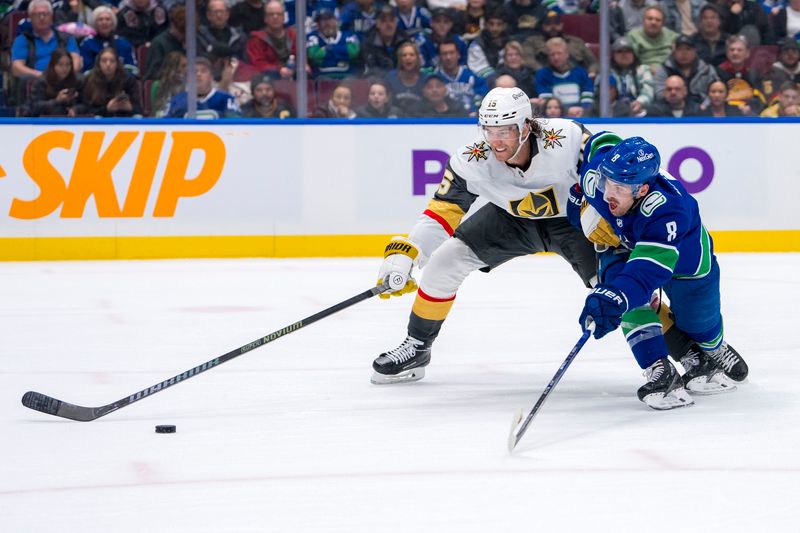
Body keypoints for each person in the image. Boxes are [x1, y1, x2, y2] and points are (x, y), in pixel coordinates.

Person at [371, 86, 597, 384]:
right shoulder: (471, 159)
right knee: (446, 261)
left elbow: (609, 184)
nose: (495, 141)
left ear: (526, 127)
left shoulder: (568, 138)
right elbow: (441, 213)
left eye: (504, 130)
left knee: (617, 283)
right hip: (511, 220)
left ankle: (671, 349)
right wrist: (406, 255)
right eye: (488, 130)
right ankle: (417, 345)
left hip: (574, 220)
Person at [573, 135, 748, 409]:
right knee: (621, 291)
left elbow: (647, 271)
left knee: (698, 324)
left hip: (685, 262)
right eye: (607, 181)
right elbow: (600, 141)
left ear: (641, 190)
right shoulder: (597, 177)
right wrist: (579, 211)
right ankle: (658, 367)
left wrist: (617, 296)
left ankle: (713, 346)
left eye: (619, 187)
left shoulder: (668, 209)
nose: (607, 193)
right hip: (622, 246)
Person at [10, 0, 81, 105]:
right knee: (25, 79)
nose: (42, 17)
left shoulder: (66, 38)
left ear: (51, 16)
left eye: (45, 14)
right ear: (30, 17)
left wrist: (64, 75)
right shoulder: (23, 40)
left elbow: (76, 62)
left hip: (63, 79)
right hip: (37, 82)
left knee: (81, 78)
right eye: (37, 14)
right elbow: (16, 68)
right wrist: (44, 76)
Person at [521, 10, 598, 77]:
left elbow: (593, 62)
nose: (553, 27)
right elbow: (527, 60)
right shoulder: (532, 42)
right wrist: (543, 72)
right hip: (545, 80)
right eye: (548, 24)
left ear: (561, 25)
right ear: (543, 26)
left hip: (577, 79)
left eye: (556, 23)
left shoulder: (577, 42)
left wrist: (591, 72)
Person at [534, 37, 594, 118]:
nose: (556, 57)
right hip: (555, 120)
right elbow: (547, 103)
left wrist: (583, 111)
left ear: (567, 54)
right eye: (552, 54)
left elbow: (587, 98)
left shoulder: (581, 73)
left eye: (559, 53)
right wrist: (567, 112)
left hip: (581, 118)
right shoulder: (542, 75)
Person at [165, 56, 241, 118]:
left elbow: (236, 125)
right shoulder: (176, 101)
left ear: (211, 77)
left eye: (203, 71)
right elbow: (163, 126)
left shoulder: (226, 99)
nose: (198, 74)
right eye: (194, 71)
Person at [653, 34, 719, 104]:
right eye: (679, 49)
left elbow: (717, 92)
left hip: (702, 110)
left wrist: (704, 106)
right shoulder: (664, 70)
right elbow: (659, 94)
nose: (683, 53)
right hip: (670, 109)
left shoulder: (707, 70)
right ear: (674, 52)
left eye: (688, 49)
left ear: (695, 51)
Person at [80, 46, 142, 117]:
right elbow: (86, 110)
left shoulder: (129, 80)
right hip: (99, 121)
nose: (108, 64)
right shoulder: (90, 80)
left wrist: (130, 108)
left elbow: (139, 110)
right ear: (98, 63)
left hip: (124, 119)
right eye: (104, 61)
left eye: (112, 61)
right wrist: (107, 109)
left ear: (117, 64)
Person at [715, 34, 767, 114]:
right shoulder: (718, 72)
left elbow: (759, 98)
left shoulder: (754, 74)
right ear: (727, 53)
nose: (735, 53)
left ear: (747, 53)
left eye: (739, 50)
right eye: (732, 50)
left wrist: (750, 109)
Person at [245, 0, 297, 80]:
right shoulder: (256, 39)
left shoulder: (293, 35)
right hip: (268, 80)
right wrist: (279, 70)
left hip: (293, 75)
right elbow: (258, 64)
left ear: (284, 17)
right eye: (271, 14)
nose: (275, 17)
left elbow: (300, 57)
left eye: (279, 14)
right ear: (265, 18)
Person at [435, 38, 488, 115]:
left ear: (458, 54)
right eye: (444, 54)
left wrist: (476, 110)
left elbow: (482, 98)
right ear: (439, 57)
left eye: (451, 53)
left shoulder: (472, 77)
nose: (448, 57)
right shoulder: (435, 79)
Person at [80, 6, 138, 76]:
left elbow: (133, 70)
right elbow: (86, 72)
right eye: (100, 19)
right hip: (95, 83)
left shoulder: (124, 43)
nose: (104, 22)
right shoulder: (87, 44)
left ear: (113, 23)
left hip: (121, 83)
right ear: (95, 23)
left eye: (108, 19)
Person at [28, 47, 83, 117]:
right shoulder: (41, 82)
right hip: (45, 121)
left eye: (68, 64)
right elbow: (34, 108)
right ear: (53, 65)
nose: (65, 68)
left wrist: (76, 109)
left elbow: (87, 105)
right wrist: (57, 101)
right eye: (60, 65)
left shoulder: (77, 81)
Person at [306, 9, 361, 79]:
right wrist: (343, 53)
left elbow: (353, 53)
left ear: (336, 21)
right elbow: (314, 55)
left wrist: (329, 49)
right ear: (318, 24)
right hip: (321, 78)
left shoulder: (348, 35)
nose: (327, 23)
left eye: (329, 19)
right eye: (322, 20)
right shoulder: (312, 37)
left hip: (347, 78)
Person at [609, 36, 654, 116]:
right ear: (614, 55)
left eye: (628, 51)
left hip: (640, 110)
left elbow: (648, 90)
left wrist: (640, 102)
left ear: (634, 54)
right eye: (620, 51)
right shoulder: (607, 72)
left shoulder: (643, 70)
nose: (624, 55)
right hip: (613, 111)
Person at [626, 5, 679, 70]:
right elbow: (630, 62)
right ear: (643, 21)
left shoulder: (672, 36)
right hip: (644, 72)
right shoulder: (633, 36)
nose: (653, 22)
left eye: (658, 20)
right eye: (650, 19)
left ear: (663, 24)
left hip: (668, 71)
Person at [361, 6, 408, 78]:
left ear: (396, 22)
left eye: (391, 20)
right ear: (377, 24)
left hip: (403, 81)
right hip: (378, 82)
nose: (388, 25)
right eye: (384, 21)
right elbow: (372, 69)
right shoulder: (368, 43)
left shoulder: (405, 40)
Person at [384, 41, 429, 115]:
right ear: (400, 59)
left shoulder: (425, 79)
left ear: (417, 58)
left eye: (412, 55)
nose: (408, 58)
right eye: (404, 55)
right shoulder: (390, 78)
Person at [466, 8, 511, 81]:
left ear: (504, 26)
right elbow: (479, 70)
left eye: (499, 24)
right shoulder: (477, 44)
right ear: (485, 25)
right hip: (486, 84)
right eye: (491, 24)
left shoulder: (510, 43)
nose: (495, 28)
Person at [144, 4, 186, 80]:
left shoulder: (193, 41)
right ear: (173, 25)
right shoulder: (159, 43)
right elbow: (151, 74)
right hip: (167, 85)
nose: (183, 35)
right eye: (181, 31)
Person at [150, 50, 186, 117]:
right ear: (174, 68)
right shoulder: (157, 85)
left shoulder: (189, 86)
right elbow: (156, 111)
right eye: (183, 66)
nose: (187, 69)